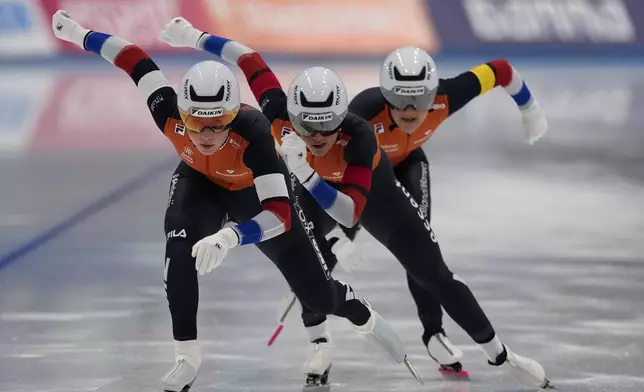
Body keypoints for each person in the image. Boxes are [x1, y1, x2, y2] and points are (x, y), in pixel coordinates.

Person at [157, 17, 552, 390]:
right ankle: (319, 343)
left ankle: (498, 353)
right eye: (306, 126)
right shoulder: (280, 115)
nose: (316, 136)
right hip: (313, 188)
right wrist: (194, 37)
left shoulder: (360, 131)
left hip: (368, 188)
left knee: (431, 270)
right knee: (307, 261)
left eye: (327, 126)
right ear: (290, 116)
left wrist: (529, 106)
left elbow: (351, 211)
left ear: (341, 119)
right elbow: (247, 59)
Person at [51, 10, 417, 392]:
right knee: (180, 247)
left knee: (318, 296)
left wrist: (230, 237)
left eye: (219, 122)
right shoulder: (166, 110)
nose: (207, 134)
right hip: (200, 182)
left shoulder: (256, 134)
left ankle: (355, 308)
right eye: (197, 124)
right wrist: (79, 34)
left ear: (233, 115)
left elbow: (278, 215)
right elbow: (135, 59)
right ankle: (187, 356)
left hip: (252, 194)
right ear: (182, 113)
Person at [320, 45, 550, 376]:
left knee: (421, 253)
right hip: (363, 174)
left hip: (409, 163)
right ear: (385, 96)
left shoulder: (448, 95)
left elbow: (501, 69)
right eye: (400, 101)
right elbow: (326, 170)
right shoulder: (362, 114)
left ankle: (434, 332)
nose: (411, 110)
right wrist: (339, 235)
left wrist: (529, 108)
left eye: (420, 100)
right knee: (333, 239)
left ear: (435, 96)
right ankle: (317, 330)